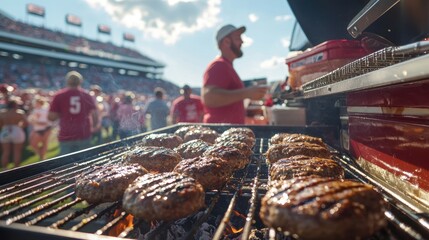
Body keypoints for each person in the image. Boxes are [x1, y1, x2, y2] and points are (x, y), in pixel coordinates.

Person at [202, 24, 268, 124]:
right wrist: (247, 93)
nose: (242, 42)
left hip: (227, 132)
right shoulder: (219, 65)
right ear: (226, 42)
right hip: (220, 133)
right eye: (238, 38)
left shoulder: (227, 66)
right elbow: (209, 98)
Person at [48, 71, 98, 156]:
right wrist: (94, 127)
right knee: (84, 162)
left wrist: (63, 112)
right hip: (83, 132)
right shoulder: (86, 95)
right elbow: (95, 114)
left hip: (66, 133)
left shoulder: (59, 95)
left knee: (66, 164)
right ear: (80, 81)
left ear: (67, 81)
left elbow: (51, 117)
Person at [0, 99, 28, 169]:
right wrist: (20, 127)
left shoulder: (2, 113)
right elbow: (26, 123)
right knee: (17, 151)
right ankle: (16, 168)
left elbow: (0, 124)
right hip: (16, 130)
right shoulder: (19, 112)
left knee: (5, 151)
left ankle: (4, 169)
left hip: (5, 130)